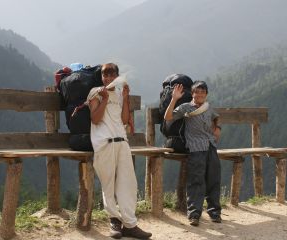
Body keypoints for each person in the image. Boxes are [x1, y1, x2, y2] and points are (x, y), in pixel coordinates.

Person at [88, 63, 152, 239]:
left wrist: (126, 96)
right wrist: (104, 100)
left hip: (122, 141)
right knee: (108, 184)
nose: (108, 78)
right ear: (101, 77)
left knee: (128, 184)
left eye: (111, 75)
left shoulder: (119, 93)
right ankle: (114, 221)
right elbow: (95, 119)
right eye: (105, 75)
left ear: (117, 77)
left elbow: (124, 119)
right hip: (104, 143)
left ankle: (130, 224)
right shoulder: (95, 92)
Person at [164, 80, 222, 226]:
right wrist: (174, 98)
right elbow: (168, 117)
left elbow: (215, 117)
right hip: (195, 147)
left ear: (206, 94)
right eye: (197, 91)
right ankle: (194, 214)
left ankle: (214, 212)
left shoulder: (208, 108)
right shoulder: (186, 107)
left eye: (203, 92)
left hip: (211, 146)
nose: (200, 94)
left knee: (213, 179)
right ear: (192, 93)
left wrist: (217, 128)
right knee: (196, 180)